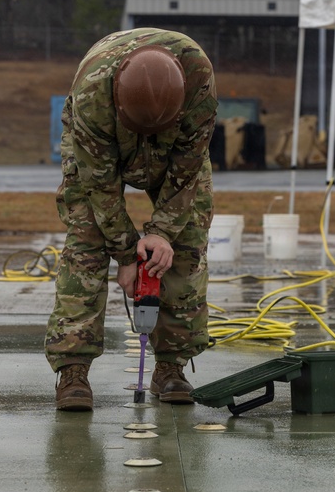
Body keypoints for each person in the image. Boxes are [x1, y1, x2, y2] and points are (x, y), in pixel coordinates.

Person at [44, 28, 217, 412]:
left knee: (187, 239)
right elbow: (100, 189)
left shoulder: (199, 81)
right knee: (86, 239)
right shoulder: (93, 98)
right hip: (98, 147)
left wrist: (163, 235)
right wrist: (125, 255)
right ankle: (73, 368)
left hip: (176, 152)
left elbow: (187, 169)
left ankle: (170, 365)